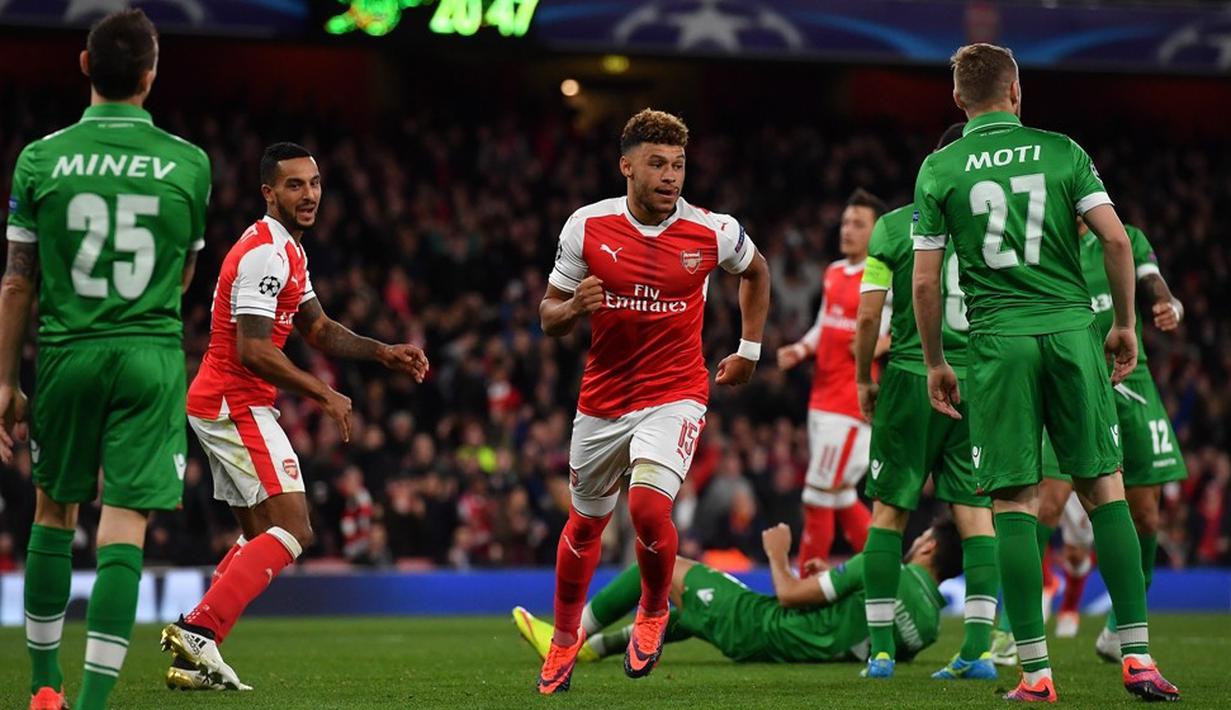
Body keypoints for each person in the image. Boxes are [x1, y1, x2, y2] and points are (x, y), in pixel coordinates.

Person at [911, 43, 1179, 702]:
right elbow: (1116, 240)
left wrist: (938, 362)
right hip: (1067, 331)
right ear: (1015, 89)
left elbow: (923, 280)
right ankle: (1137, 658)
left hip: (998, 343)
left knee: (1011, 502)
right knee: (1105, 488)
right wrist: (1121, 323)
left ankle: (1034, 673)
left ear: (957, 101)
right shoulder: (1061, 149)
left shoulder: (939, 166)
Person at [158, 142, 429, 690]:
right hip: (235, 402)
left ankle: (197, 653)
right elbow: (252, 350)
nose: (309, 195)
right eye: (294, 185)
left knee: (259, 534)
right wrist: (322, 393)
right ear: (269, 192)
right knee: (294, 527)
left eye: (315, 183)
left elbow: (319, 328)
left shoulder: (290, 252)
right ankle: (200, 629)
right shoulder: (264, 252)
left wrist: (382, 352)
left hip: (227, 402)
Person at [0, 10, 211, 709]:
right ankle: (91, 705)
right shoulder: (189, 163)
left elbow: (17, 281)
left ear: (85, 66)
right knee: (123, 522)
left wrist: (5, 380)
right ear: (151, 75)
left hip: (66, 352)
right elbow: (183, 275)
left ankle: (43, 689)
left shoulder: (40, 158)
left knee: (52, 513)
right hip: (149, 354)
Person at [535, 108, 770, 694]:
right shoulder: (586, 227)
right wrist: (572, 309)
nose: (671, 176)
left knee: (645, 507)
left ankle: (654, 610)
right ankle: (565, 640)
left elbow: (756, 271)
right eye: (658, 164)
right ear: (627, 167)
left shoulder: (712, 231)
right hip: (603, 399)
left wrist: (749, 350)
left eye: (679, 165)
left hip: (676, 393)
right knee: (585, 526)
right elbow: (548, 316)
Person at [996, 217, 1186, 660]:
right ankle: (1009, 630)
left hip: (1131, 383)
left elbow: (1152, 280)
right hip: (1072, 383)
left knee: (1146, 517)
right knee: (1046, 500)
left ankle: (1120, 630)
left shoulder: (1125, 238)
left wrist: (1165, 304)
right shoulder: (1041, 245)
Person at [853, 123, 1000, 681]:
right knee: (976, 515)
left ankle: (883, 651)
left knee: (890, 512)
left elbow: (869, 315)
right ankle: (979, 653)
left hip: (913, 376)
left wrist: (864, 377)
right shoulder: (993, 223)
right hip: (980, 381)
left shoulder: (892, 227)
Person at [513, 520, 961, 666]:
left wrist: (776, 554)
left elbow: (788, 595)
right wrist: (837, 580)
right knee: (687, 614)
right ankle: (596, 648)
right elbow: (860, 625)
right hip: (792, 649)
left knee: (658, 564)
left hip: (765, 626)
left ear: (929, 545)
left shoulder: (881, 566)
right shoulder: (928, 629)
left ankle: (566, 642)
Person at [778, 190, 888, 563]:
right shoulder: (834, 272)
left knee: (816, 494)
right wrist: (801, 349)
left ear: (876, 232)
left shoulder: (883, 275)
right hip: (820, 398)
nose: (848, 229)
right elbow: (824, 323)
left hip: (850, 404)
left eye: (859, 224)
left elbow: (909, 328)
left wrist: (880, 344)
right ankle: (887, 577)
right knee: (838, 495)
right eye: (845, 222)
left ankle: (803, 593)